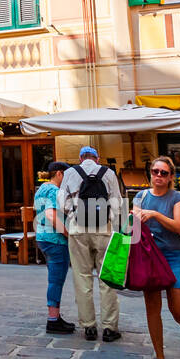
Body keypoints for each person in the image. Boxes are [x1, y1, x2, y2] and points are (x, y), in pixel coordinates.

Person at [132, 156, 180, 359]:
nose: (158, 176)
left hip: (173, 255)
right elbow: (133, 228)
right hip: (149, 256)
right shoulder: (140, 197)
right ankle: (159, 356)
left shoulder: (177, 198)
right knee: (152, 307)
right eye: (155, 171)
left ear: (171, 177)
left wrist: (156, 215)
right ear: (150, 173)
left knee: (177, 308)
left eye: (163, 173)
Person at [57, 146, 124, 342]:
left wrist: (74, 215)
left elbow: (62, 203)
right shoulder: (109, 173)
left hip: (78, 230)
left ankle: (89, 327)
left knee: (82, 278)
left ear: (80, 158)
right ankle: (110, 327)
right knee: (107, 279)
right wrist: (108, 218)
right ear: (97, 158)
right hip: (104, 229)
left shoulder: (70, 173)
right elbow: (118, 203)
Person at [33, 161, 74, 334]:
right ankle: (53, 319)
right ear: (59, 173)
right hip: (55, 240)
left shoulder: (41, 188)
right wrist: (67, 233)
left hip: (42, 237)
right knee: (56, 280)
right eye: (67, 175)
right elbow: (50, 214)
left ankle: (55, 317)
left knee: (54, 278)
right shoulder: (55, 191)